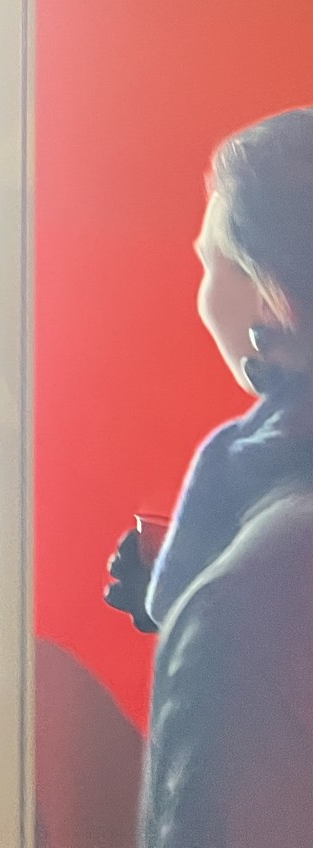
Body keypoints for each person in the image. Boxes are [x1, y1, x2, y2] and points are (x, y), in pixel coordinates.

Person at [138, 108, 313, 848]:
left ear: (271, 300)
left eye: (210, 263)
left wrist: (207, 613)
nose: (200, 288)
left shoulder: (252, 600)